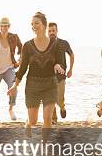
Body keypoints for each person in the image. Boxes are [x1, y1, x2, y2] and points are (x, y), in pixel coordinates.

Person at [8, 12, 65, 140]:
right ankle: (28, 123)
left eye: (36, 23)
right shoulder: (27, 46)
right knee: (33, 121)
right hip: (33, 86)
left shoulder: (56, 44)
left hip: (50, 85)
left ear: (44, 25)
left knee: (47, 119)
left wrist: (58, 65)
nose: (34, 26)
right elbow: (22, 68)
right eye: (32, 24)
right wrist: (14, 85)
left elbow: (60, 61)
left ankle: (45, 147)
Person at [47, 22, 74, 123]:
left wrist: (70, 69)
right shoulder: (44, 44)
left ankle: (62, 107)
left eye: (53, 30)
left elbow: (71, 55)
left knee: (59, 99)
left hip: (61, 76)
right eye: (49, 31)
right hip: (48, 76)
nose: (51, 33)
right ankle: (54, 118)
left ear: (57, 31)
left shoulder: (64, 43)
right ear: (47, 32)